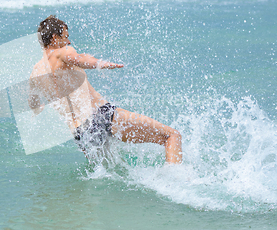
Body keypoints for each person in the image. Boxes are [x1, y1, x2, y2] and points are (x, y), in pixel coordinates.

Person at [28, 15, 182, 164]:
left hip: (81, 134)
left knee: (111, 172)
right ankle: (176, 181)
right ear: (55, 38)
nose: (68, 41)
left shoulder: (35, 74)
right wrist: (101, 64)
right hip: (100, 115)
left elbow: (33, 104)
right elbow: (81, 59)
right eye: (65, 36)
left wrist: (39, 108)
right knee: (171, 136)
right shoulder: (62, 51)